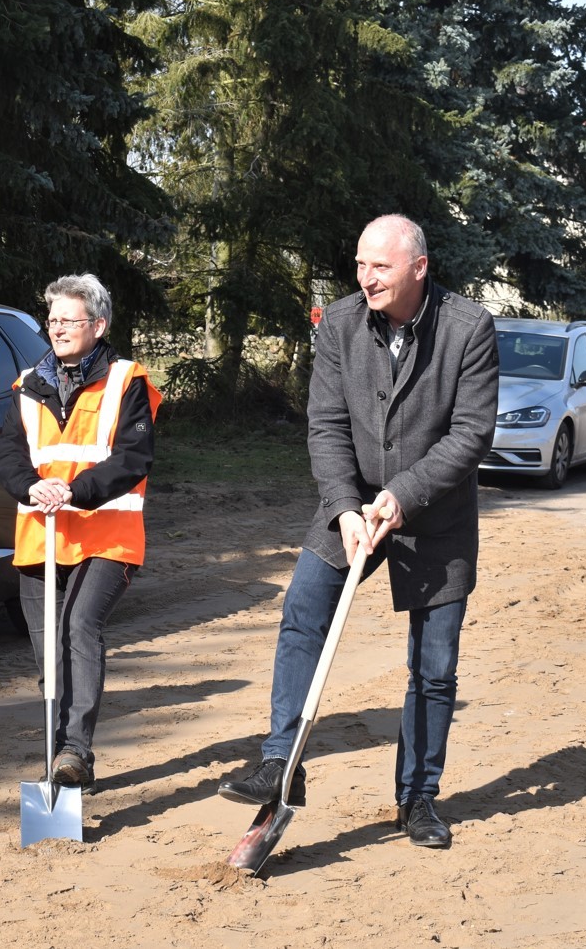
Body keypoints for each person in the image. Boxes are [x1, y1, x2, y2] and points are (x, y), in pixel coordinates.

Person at [216, 214, 497, 847]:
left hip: (436, 514)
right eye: (361, 265)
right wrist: (345, 506)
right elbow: (327, 425)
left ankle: (418, 798)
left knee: (433, 668)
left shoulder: (468, 328)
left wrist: (403, 495)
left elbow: (471, 434)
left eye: (380, 267)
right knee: (302, 610)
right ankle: (280, 764)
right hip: (350, 504)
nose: (365, 278)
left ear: (418, 269)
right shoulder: (340, 324)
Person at [0, 273, 161, 788]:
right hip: (42, 536)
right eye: (53, 320)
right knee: (48, 649)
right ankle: (56, 752)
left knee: (79, 627)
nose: (58, 328)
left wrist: (77, 490)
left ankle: (76, 752)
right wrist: (32, 488)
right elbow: (8, 455)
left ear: (99, 324)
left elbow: (134, 456)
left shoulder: (126, 381)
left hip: (107, 534)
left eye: (69, 320)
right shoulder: (28, 384)